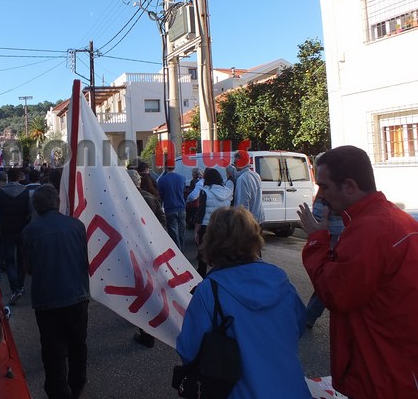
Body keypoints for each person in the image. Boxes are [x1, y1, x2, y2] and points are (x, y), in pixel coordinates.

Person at [297, 145, 418, 399]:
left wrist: (317, 241)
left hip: (381, 373)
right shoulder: (391, 218)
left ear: (349, 186)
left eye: (324, 187)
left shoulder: (371, 229)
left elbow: (336, 293)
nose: (321, 196)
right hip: (396, 365)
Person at [177, 206, 311, 398]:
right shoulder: (280, 280)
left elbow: (188, 350)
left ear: (212, 241)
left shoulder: (210, 290)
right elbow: (299, 325)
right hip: (293, 390)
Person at [22, 184, 90, 399]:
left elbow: (28, 268)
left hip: (47, 299)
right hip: (77, 295)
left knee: (53, 350)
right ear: (57, 203)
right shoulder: (77, 225)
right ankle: (77, 385)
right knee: (77, 343)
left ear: (36, 206)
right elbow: (85, 258)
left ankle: (58, 391)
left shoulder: (30, 231)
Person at [127, 169, 165, 348]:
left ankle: (146, 332)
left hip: (133, 251)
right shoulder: (151, 198)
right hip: (151, 249)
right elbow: (162, 221)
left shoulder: (123, 200)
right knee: (151, 285)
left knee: (138, 287)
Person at [0, 167, 32, 305]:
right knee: (21, 260)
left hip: (7, 231)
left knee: (10, 261)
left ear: (8, 178)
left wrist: (1, 231)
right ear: (19, 177)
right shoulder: (26, 192)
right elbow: (30, 212)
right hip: (22, 230)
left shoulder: (0, 193)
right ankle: (20, 286)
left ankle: (15, 288)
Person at [304, 194, 343, 329]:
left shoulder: (333, 198)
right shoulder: (328, 198)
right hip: (332, 237)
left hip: (334, 236)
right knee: (328, 280)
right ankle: (309, 316)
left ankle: (309, 316)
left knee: (328, 280)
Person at [185, 168, 233, 277]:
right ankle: (220, 275)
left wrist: (196, 230)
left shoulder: (205, 191)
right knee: (220, 252)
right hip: (223, 226)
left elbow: (201, 212)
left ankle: (201, 276)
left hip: (206, 226)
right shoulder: (227, 191)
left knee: (203, 252)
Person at [157, 164, 187, 250]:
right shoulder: (182, 178)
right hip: (182, 207)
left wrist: (160, 206)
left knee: (173, 232)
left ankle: (178, 251)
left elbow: (161, 195)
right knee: (182, 232)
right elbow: (183, 190)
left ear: (166, 167)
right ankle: (182, 250)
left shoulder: (162, 180)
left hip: (170, 208)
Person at [231, 151, 265, 223]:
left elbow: (242, 204)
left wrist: (242, 223)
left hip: (249, 222)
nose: (234, 165)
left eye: (235, 163)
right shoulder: (255, 175)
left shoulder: (242, 179)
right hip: (259, 219)